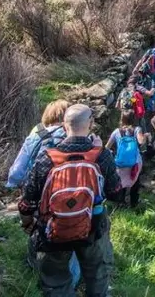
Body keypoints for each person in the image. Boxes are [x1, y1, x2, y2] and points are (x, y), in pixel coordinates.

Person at [19, 104, 124, 297]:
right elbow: (116, 192)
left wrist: (27, 222)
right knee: (97, 275)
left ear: (64, 125)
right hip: (93, 228)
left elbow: (27, 199)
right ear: (90, 123)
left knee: (55, 281)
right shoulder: (100, 156)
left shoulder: (48, 157)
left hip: (53, 231)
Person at [105, 110, 147, 208]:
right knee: (135, 182)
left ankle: (121, 204)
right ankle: (134, 204)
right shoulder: (137, 129)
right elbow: (141, 142)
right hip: (135, 162)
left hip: (121, 162)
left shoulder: (117, 131)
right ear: (134, 118)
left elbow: (107, 147)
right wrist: (145, 136)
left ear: (122, 119)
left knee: (121, 183)